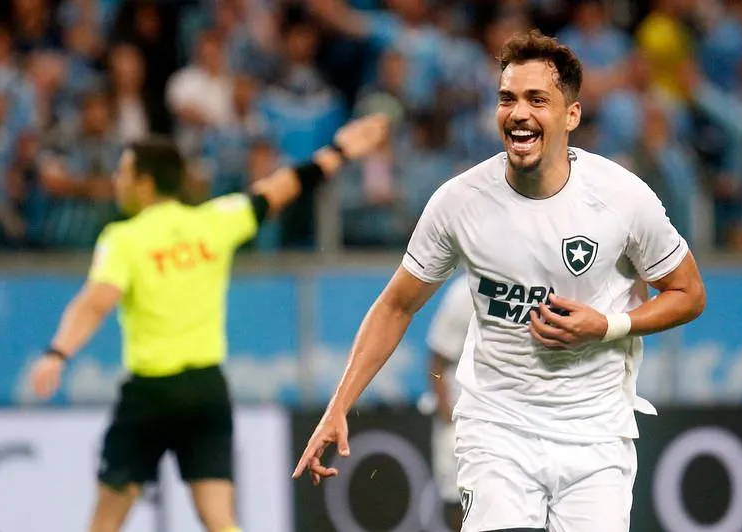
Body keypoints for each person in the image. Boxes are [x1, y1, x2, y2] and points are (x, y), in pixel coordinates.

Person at [293, 30, 706, 532]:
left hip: (596, 435)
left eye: (538, 100)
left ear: (571, 115)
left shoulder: (622, 198)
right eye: (507, 99)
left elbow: (688, 293)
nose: (518, 113)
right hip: (497, 430)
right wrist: (339, 404)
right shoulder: (459, 202)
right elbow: (396, 305)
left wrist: (608, 326)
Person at [28, 113, 389, 532]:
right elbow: (281, 188)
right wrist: (339, 151)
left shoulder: (123, 239)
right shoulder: (213, 221)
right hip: (205, 390)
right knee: (219, 519)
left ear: (145, 182)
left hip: (150, 394)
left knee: (105, 524)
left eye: (123, 172)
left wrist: (57, 352)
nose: (116, 180)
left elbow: (95, 304)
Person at [426, 272, 473, 531]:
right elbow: (436, 363)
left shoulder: (530, 284)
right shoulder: (463, 293)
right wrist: (448, 416)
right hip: (460, 416)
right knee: (456, 502)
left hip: (504, 415)